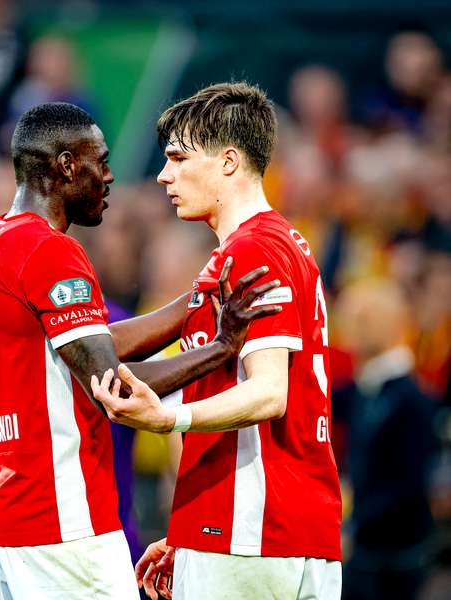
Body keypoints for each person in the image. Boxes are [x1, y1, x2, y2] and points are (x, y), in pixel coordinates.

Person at [0, 102, 280, 599]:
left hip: (11, 509)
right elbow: (110, 384)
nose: (109, 177)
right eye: (100, 160)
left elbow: (98, 344)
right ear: (67, 165)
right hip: (61, 517)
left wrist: (199, 298)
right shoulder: (50, 251)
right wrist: (221, 348)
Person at [91, 83, 343, 599]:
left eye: (179, 158)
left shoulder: (253, 251)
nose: (165, 175)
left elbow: (270, 393)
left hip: (251, 530)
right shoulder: (277, 243)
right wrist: (188, 533)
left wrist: (168, 418)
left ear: (228, 162)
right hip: (267, 529)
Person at [335, 280, 438, 600]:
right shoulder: (365, 389)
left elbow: (407, 485)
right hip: (370, 550)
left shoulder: (408, 398)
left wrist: (353, 526)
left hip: (392, 558)